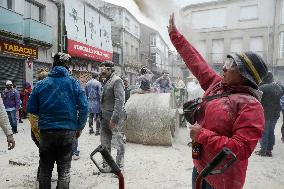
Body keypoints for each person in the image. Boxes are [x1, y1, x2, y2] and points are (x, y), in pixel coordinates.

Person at [168, 13, 268, 189]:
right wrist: (174, 35)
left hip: (222, 179)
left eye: (231, 65)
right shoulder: (218, 85)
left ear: (244, 76)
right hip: (200, 167)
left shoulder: (251, 106)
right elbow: (196, 61)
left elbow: (241, 148)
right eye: (228, 61)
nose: (224, 67)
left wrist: (202, 135)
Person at [27, 52, 88, 189]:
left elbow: (31, 108)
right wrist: (79, 127)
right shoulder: (74, 83)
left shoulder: (41, 84)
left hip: (46, 132)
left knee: (45, 170)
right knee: (64, 170)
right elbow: (84, 108)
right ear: (68, 67)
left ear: (53, 65)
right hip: (68, 131)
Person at [99, 60, 126, 170]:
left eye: (103, 69)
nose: (101, 72)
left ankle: (119, 166)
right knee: (104, 142)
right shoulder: (106, 80)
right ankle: (107, 165)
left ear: (110, 69)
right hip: (104, 117)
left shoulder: (117, 80)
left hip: (115, 118)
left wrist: (114, 119)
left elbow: (120, 100)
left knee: (118, 142)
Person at [255, 72, 284, 156]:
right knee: (271, 131)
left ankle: (263, 150)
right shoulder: (279, 87)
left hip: (265, 113)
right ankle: (269, 150)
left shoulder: (261, 88)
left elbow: (257, 100)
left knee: (264, 132)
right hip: (275, 113)